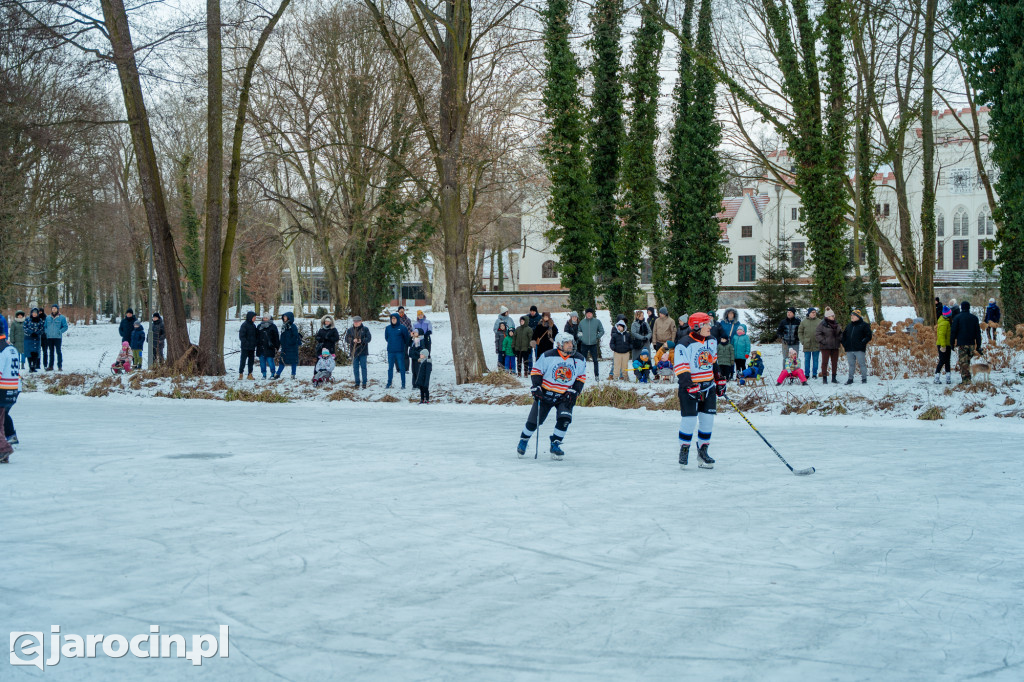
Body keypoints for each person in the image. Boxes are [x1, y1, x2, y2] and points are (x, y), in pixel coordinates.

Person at [516, 332, 587, 460]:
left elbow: (581, 377)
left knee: (564, 419)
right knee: (533, 422)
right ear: (559, 344)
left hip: (565, 395)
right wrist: (536, 387)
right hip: (546, 393)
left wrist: (575, 391)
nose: (571, 345)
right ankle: (524, 439)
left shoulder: (580, 359)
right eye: (567, 343)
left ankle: (555, 443)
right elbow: (536, 371)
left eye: (571, 342)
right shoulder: (548, 356)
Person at [674, 312, 725, 470]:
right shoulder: (684, 343)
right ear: (697, 326)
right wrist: (690, 386)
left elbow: (713, 362)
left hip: (708, 387)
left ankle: (703, 452)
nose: (710, 326)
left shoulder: (711, 340)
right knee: (689, 420)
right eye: (706, 324)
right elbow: (681, 369)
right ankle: (684, 449)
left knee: (708, 420)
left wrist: (719, 379)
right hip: (690, 388)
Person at [0, 327, 20, 463]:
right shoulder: (11, 347)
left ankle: (4, 448)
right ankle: (3, 454)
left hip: (2, 389)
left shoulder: (0, 350)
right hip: (13, 388)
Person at [951, 300, 983, 384]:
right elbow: (978, 333)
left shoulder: (957, 318)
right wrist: (978, 345)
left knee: (963, 362)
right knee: (967, 361)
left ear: (961, 307)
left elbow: (953, 331)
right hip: (971, 343)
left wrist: (952, 343)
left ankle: (966, 380)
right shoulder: (974, 318)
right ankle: (967, 379)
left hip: (962, 343)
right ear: (969, 308)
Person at [841, 309, 873, 385]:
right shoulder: (849, 325)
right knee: (851, 365)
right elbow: (843, 336)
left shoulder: (864, 325)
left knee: (862, 364)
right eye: (851, 315)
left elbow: (869, 336)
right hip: (849, 349)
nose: (852, 317)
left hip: (859, 349)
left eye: (853, 315)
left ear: (858, 317)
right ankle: (850, 379)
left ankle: (864, 379)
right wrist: (844, 344)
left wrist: (862, 343)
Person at [815, 307, 843, 384]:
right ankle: (824, 378)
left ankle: (834, 378)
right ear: (827, 317)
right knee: (825, 362)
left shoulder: (836, 324)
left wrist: (840, 338)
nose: (832, 317)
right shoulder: (822, 324)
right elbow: (817, 334)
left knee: (834, 362)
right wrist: (824, 341)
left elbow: (840, 333)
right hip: (825, 346)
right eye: (831, 316)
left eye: (833, 316)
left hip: (835, 346)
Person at [344, 316, 372, 388]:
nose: (356, 323)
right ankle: (357, 383)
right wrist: (352, 340)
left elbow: (369, 338)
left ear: (361, 321)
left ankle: (364, 383)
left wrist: (361, 340)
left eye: (357, 321)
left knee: (363, 367)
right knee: (355, 368)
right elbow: (346, 339)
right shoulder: (350, 330)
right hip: (354, 352)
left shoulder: (365, 329)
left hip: (363, 351)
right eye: (354, 321)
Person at [384, 312, 410, 389]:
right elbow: (386, 338)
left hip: (400, 351)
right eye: (392, 319)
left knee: (402, 368)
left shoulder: (402, 328)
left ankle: (403, 384)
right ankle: (389, 383)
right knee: (390, 368)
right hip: (391, 351)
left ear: (397, 319)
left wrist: (402, 345)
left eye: (395, 318)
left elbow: (406, 338)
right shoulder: (388, 328)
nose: (393, 320)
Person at [578, 309, 605, 379]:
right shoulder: (582, 322)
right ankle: (581, 375)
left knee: (595, 360)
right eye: (587, 313)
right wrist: (581, 338)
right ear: (585, 314)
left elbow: (602, 331)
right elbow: (579, 332)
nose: (589, 314)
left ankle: (596, 375)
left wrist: (597, 337)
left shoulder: (597, 322)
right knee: (583, 361)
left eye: (590, 313)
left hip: (593, 344)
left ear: (592, 314)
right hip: (584, 344)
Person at [276, 311, 303, 379]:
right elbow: (282, 336)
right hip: (285, 347)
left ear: (289, 318)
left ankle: (293, 374)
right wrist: (281, 343)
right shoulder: (283, 326)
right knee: (282, 360)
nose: (284, 318)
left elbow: (295, 336)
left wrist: (290, 342)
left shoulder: (293, 326)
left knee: (293, 361)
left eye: (286, 317)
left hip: (292, 347)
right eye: (284, 317)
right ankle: (278, 373)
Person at [43, 304, 68, 371]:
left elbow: (65, 326)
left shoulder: (62, 317)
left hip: (57, 337)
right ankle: (50, 366)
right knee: (51, 352)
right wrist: (47, 332)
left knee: (58, 351)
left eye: (55, 308)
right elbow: (45, 326)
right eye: (53, 308)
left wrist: (60, 331)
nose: (54, 309)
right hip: (50, 337)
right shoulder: (48, 317)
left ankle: (59, 366)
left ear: (57, 309)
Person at [256, 313, 280, 379]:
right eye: (264, 318)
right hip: (260, 347)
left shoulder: (273, 326)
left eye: (266, 318)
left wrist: (277, 346)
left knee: (270, 361)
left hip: (270, 347)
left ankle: (273, 373)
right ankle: (264, 374)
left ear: (269, 319)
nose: (265, 319)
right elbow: (256, 336)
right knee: (262, 362)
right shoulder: (259, 326)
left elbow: (276, 337)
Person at [798, 307, 820, 379]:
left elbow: (823, 332)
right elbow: (800, 332)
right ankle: (806, 374)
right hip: (807, 344)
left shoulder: (819, 321)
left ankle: (814, 374)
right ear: (809, 313)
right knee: (807, 360)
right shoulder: (804, 322)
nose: (814, 313)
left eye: (815, 312)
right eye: (812, 312)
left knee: (815, 360)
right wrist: (802, 341)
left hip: (816, 343)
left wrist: (820, 340)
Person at [935, 306, 952, 384]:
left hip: (947, 344)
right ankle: (937, 377)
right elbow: (941, 335)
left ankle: (948, 377)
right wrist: (943, 345)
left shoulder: (946, 321)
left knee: (947, 361)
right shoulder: (944, 323)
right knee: (942, 361)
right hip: (943, 345)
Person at [238, 311, 257, 380]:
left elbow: (255, 336)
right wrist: (246, 343)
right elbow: (241, 336)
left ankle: (250, 374)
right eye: (254, 317)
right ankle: (241, 373)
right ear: (250, 317)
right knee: (243, 360)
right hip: (245, 347)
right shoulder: (244, 325)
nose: (255, 318)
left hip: (252, 347)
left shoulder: (253, 325)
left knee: (251, 361)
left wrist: (255, 343)